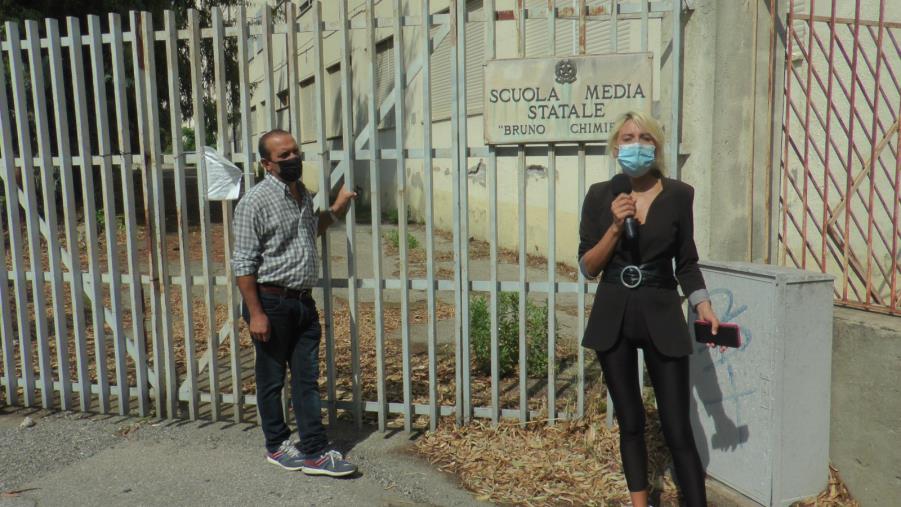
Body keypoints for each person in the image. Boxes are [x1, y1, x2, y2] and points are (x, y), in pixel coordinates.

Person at [578, 111, 721, 506]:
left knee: (677, 428)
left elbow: (686, 262)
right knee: (631, 423)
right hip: (613, 315)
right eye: (627, 138)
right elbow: (588, 266)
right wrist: (614, 226)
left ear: (656, 147)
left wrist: (703, 304)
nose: (635, 145)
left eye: (644, 138)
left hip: (661, 312)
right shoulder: (599, 196)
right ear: (615, 147)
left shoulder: (679, 195)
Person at [232, 129, 357, 476]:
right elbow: (243, 263)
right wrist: (256, 313)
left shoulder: (301, 193)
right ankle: (276, 445)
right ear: (267, 164)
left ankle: (315, 451)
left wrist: (336, 210)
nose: (293, 159)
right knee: (271, 378)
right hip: (270, 303)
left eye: (295, 152)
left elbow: (307, 230)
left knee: (306, 379)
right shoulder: (254, 202)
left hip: (302, 303)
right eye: (283, 155)